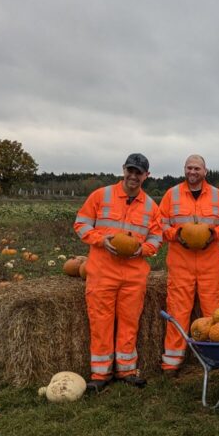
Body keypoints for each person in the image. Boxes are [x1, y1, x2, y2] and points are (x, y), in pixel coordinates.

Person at [73, 153, 163, 392]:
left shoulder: (151, 206)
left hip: (134, 275)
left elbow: (157, 237)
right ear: (123, 169)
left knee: (129, 322)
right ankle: (100, 374)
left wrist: (143, 249)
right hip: (103, 271)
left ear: (146, 175)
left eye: (138, 172)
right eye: (130, 170)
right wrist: (101, 240)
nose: (133, 176)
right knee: (100, 322)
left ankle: (126, 370)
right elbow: (81, 224)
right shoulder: (101, 196)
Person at [158, 154, 219, 377]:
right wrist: (176, 235)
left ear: (205, 171)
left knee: (216, 313)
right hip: (180, 264)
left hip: (209, 264)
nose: (192, 172)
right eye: (189, 168)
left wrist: (215, 234)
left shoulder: (216, 195)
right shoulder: (172, 194)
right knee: (177, 311)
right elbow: (159, 223)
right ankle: (172, 362)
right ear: (184, 169)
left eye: (197, 168)